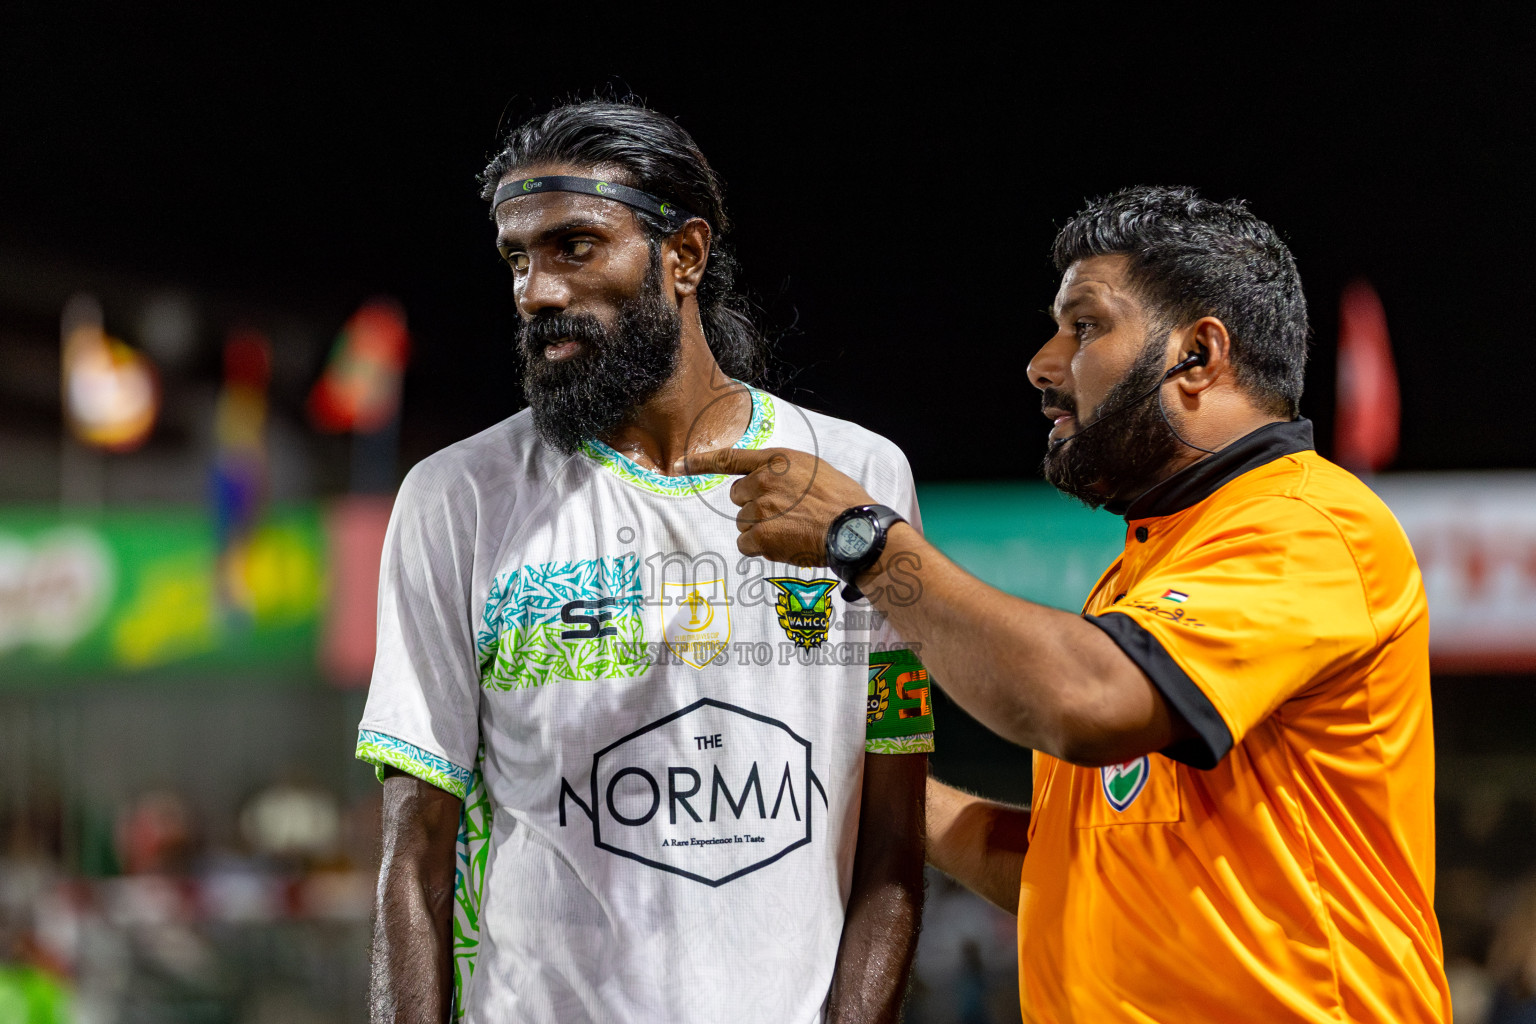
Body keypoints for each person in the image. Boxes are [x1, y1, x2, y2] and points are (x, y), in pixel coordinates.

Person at [686, 186, 1452, 1022]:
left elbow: (1083, 700)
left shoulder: (1306, 522)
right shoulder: (1142, 573)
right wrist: (852, 779)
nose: (1043, 365)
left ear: (1198, 355)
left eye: (1084, 326)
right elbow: (1072, 870)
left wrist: (863, 538)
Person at [355, 99, 933, 1024]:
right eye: (517, 258)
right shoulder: (456, 497)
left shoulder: (858, 478)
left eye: (574, 246)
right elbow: (415, 851)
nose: (535, 292)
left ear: (684, 255)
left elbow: (894, 832)